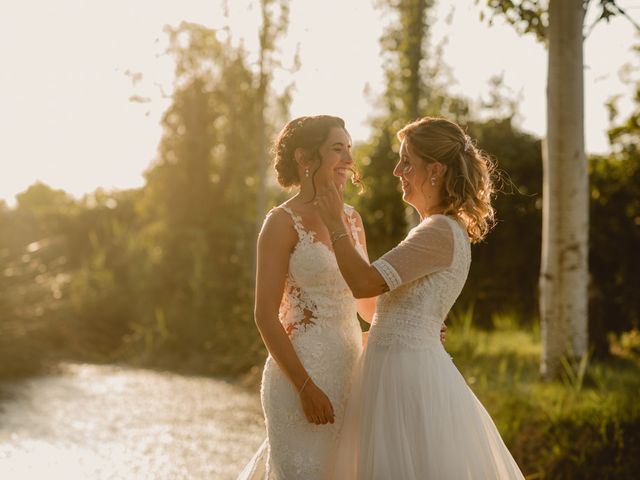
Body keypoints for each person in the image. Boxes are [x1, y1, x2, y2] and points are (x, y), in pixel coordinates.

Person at [316, 116, 525, 479]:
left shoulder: (439, 230)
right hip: (397, 368)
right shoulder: (442, 229)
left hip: (404, 380)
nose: (398, 170)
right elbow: (385, 312)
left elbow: (364, 283)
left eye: (407, 161)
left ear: (436, 171)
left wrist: (335, 223)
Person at [237, 115, 376, 480]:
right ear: (304, 157)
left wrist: (415, 321)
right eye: (337, 148)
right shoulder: (281, 222)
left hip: (351, 375)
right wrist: (305, 387)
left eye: (349, 148)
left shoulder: (353, 220)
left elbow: (366, 305)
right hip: (300, 377)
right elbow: (265, 316)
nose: (348, 158)